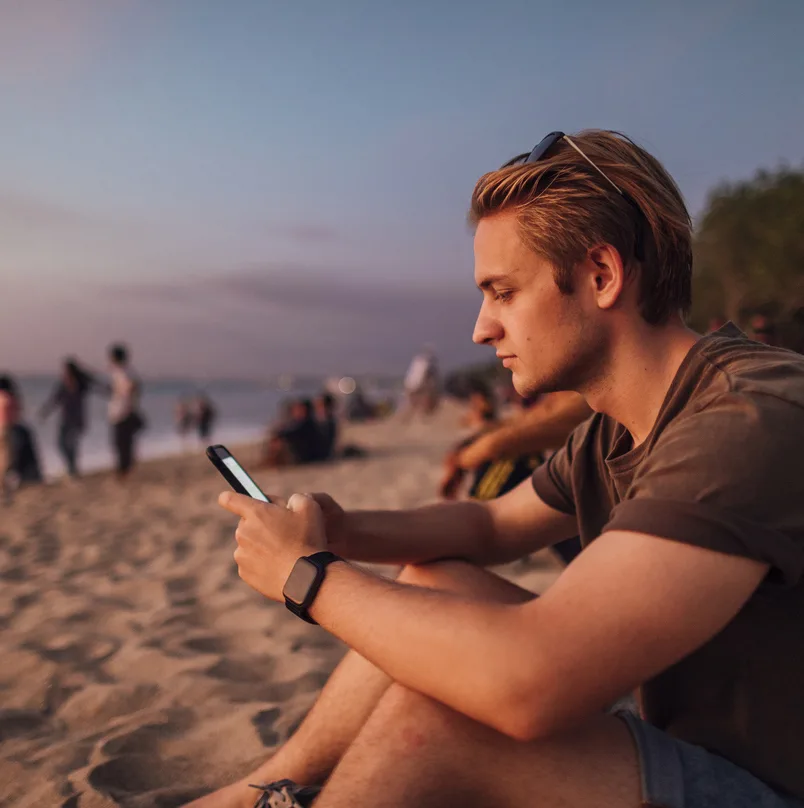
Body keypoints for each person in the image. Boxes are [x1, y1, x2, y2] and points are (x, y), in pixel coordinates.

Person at [189, 130, 804, 808]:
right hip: (700, 758)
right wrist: (334, 528)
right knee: (437, 578)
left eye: (502, 292)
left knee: (441, 726)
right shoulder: (617, 427)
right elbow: (489, 524)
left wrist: (305, 577)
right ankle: (259, 792)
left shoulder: (749, 416)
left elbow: (532, 683)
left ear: (601, 276)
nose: (482, 328)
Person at [39, 358, 100, 478]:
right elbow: (55, 400)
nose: (63, 373)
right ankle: (71, 467)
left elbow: (98, 387)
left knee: (72, 444)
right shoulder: (63, 385)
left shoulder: (81, 385)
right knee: (60, 444)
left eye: (65, 370)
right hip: (65, 420)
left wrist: (113, 391)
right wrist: (45, 412)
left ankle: (73, 470)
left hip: (77, 420)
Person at [0, 375, 42, 499]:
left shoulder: (4, 397)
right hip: (12, 430)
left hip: (6, 432)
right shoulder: (13, 397)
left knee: (7, 464)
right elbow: (17, 414)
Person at [107, 343, 144, 480]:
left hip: (122, 412)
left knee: (121, 444)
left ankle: (123, 472)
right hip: (123, 412)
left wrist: (123, 394)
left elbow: (132, 387)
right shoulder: (127, 371)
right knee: (125, 444)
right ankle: (125, 470)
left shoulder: (122, 372)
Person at [260, 398, 322, 468]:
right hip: (305, 455)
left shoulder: (306, 424)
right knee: (278, 442)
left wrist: (278, 434)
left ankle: (271, 463)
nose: (296, 412)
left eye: (299, 409)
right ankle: (270, 462)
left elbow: (290, 433)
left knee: (279, 443)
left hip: (305, 457)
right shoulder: (304, 423)